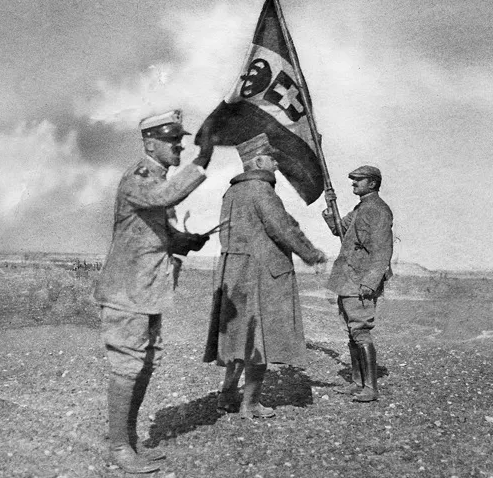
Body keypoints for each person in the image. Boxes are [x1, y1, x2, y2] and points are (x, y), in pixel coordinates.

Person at [95, 109, 214, 474]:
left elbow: (154, 230)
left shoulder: (155, 179)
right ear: (150, 144)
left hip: (144, 291)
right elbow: (163, 197)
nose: (179, 146)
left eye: (180, 140)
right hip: (126, 292)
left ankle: (127, 440)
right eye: (172, 140)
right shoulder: (140, 176)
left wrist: (185, 241)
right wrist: (201, 161)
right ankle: (118, 447)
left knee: (145, 363)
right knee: (128, 365)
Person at [203, 133, 327, 419]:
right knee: (260, 340)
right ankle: (250, 405)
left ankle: (226, 396)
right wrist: (312, 253)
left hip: (233, 273)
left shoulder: (232, 191)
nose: (276, 164)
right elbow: (282, 228)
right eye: (271, 158)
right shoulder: (261, 190)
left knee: (239, 340)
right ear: (258, 161)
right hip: (260, 274)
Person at [321, 165, 393, 403]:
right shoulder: (361, 208)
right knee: (352, 332)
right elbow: (338, 229)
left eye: (358, 180)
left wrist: (370, 282)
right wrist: (330, 207)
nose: (353, 183)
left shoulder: (379, 210)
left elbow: (383, 250)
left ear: (372, 183)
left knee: (361, 331)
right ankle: (357, 382)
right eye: (353, 179)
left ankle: (370, 388)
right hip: (348, 278)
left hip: (361, 280)